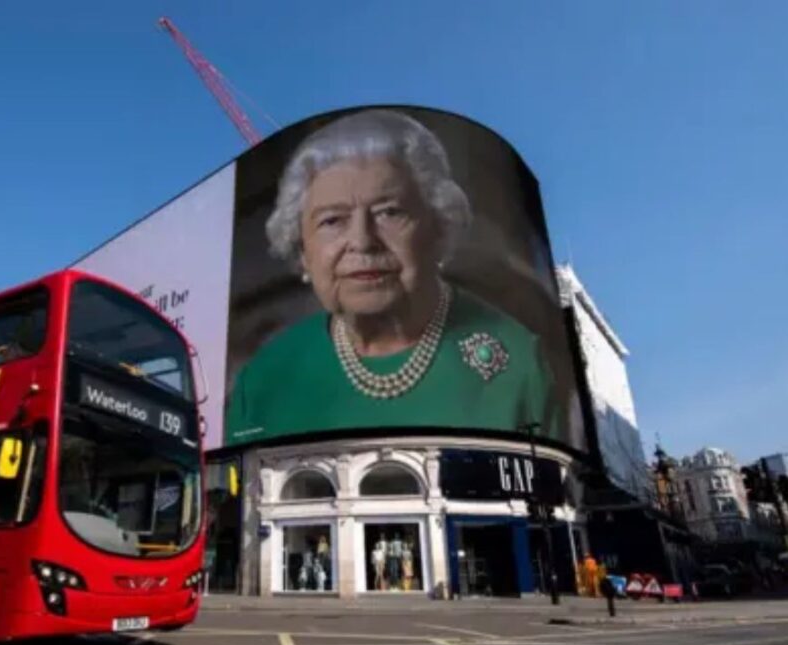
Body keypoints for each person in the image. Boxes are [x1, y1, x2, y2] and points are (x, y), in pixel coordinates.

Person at [225, 109, 562, 444]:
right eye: (332, 221)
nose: (362, 241)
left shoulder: (519, 361)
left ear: (438, 228)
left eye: (389, 212)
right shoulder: (262, 379)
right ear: (302, 253)